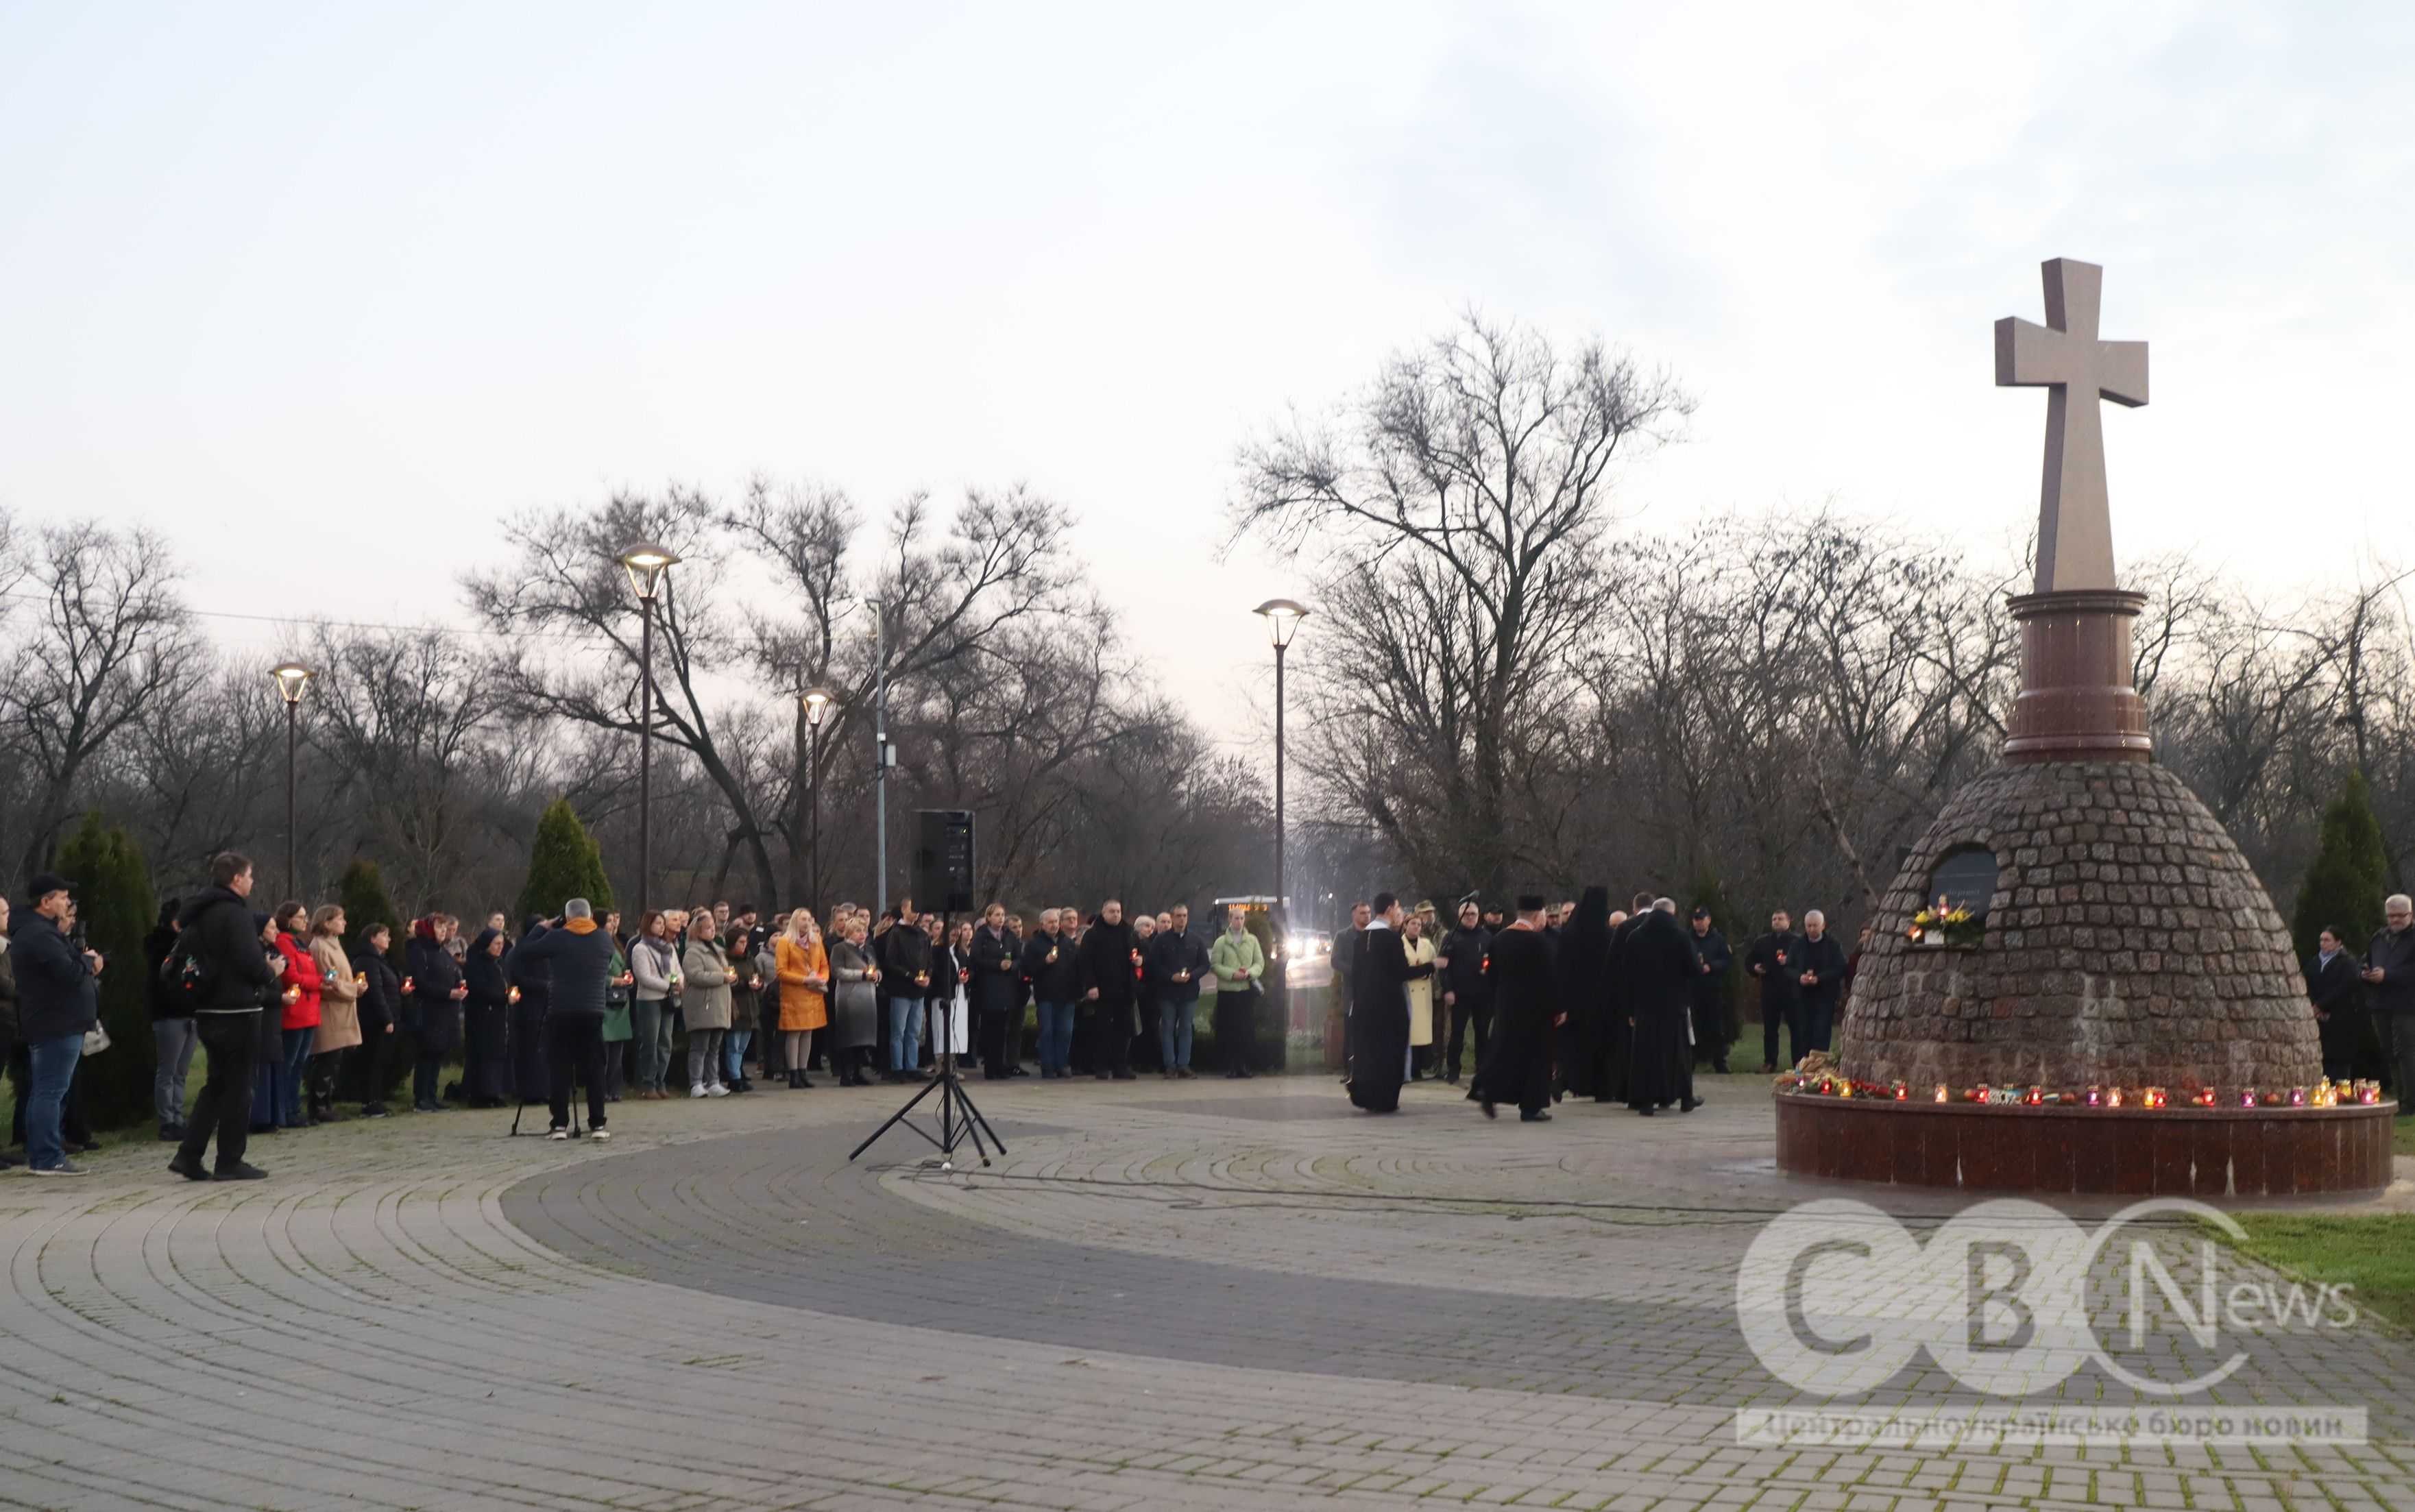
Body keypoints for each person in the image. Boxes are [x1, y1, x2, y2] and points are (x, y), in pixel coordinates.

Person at [163, 853, 278, 1180]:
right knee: (240, 1087)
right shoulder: (234, 913)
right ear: (237, 879)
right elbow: (248, 960)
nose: (253, 882)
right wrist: (270, 973)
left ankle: (189, 1154)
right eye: (250, 875)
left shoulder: (198, 912)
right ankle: (229, 1159)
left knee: (217, 1085)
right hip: (237, 1009)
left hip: (208, 1007)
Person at [12, 873, 101, 1175]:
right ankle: (47, 1157)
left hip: (59, 1022)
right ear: (46, 902)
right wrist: (89, 962)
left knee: (47, 1091)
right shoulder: (38, 934)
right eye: (62, 897)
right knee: (50, 1092)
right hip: (55, 1023)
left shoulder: (43, 932)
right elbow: (68, 973)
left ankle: (44, 1153)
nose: (68, 903)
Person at [505, 898, 615, 1140]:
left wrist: (542, 927)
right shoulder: (604, 940)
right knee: (595, 1067)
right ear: (588, 916)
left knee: (560, 1067)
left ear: (566, 917)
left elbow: (523, 952)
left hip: (561, 1010)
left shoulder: (557, 938)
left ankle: (560, 1124)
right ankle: (598, 1123)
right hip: (593, 1010)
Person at [1470, 895, 1560, 1121]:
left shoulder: (1499, 939)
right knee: (1535, 1058)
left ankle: (1488, 1090)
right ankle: (1531, 1107)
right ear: (1538, 916)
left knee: (1503, 1051)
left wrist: (1498, 998)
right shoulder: (1539, 942)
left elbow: (1488, 972)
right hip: (1535, 1010)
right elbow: (1551, 978)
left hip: (1506, 1006)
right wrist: (1559, 1007)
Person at [1621, 900, 1703, 1114]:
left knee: (1646, 1053)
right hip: (1674, 1004)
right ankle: (1685, 1098)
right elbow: (1694, 970)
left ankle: (1646, 1101)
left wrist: (1630, 1008)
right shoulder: (1681, 937)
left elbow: (1627, 976)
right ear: (1672, 912)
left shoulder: (1635, 937)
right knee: (1679, 1052)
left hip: (1645, 1005)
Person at [1347, 893, 1411, 1113]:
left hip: (1365, 1006)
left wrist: (1355, 1002)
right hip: (1390, 1007)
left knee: (1369, 1052)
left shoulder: (1361, 939)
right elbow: (1402, 972)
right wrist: (1432, 966)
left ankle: (1367, 1096)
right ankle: (1387, 1099)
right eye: (1397, 907)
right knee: (1390, 1051)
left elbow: (1355, 975)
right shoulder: (1392, 939)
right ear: (1391, 908)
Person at [1076, 899, 1143, 1081]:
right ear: (1103, 913)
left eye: (1118, 911)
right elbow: (1085, 962)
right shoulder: (1093, 935)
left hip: (1125, 988)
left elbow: (1139, 952)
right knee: (1102, 1030)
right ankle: (1102, 1066)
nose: (1116, 915)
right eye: (1112, 911)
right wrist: (1090, 985)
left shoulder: (1129, 932)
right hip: (1103, 989)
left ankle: (1121, 1066)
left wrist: (1139, 961)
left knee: (1124, 1030)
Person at [404, 916, 467, 1112]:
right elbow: (420, 982)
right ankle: (421, 1098)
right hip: (428, 1010)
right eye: (439, 927)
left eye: (444, 927)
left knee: (438, 1054)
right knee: (427, 1054)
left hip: (445, 1011)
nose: (443, 930)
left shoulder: (442, 951)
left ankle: (432, 1095)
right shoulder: (419, 951)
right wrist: (448, 992)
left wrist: (459, 987)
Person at [306, 905, 361, 1125]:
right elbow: (329, 981)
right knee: (326, 1060)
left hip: (342, 1008)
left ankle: (327, 1103)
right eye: (340, 919)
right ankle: (318, 1106)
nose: (344, 923)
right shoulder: (320, 947)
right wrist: (353, 990)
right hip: (330, 1010)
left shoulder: (335, 945)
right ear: (327, 923)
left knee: (334, 1061)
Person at [269, 903, 322, 1129]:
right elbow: (292, 976)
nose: (306, 920)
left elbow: (307, 973)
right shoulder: (284, 942)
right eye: (301, 917)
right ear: (289, 920)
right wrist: (318, 983)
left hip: (308, 1010)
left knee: (299, 1063)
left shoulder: (301, 943)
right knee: (289, 1064)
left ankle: (294, 1109)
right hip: (294, 1011)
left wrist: (314, 981)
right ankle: (286, 1111)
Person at [145, 900, 193, 1143]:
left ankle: (178, 1115)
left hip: (189, 1013)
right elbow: (164, 980)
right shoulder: (160, 946)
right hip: (169, 1014)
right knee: (168, 1070)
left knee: (182, 1071)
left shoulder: (189, 946)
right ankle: (167, 1120)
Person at [2361, 895, 2415, 1103]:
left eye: (2400, 915)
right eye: (2391, 916)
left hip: (2407, 1005)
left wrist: (2388, 976)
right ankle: (2399, 1096)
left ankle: (2411, 1100)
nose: (2395, 920)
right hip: (2381, 1003)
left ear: (2410, 914)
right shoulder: (2379, 938)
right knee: (2389, 1052)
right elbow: (2365, 960)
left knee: (2406, 1052)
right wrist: (2363, 973)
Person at [1147, 903, 1210, 1080]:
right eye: (1179, 916)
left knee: (1186, 1028)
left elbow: (1205, 964)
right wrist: (1170, 976)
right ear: (1172, 918)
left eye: (1185, 915)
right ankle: (1170, 1065)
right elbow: (1153, 964)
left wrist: (1192, 976)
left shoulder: (1196, 940)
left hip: (1189, 992)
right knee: (1167, 1027)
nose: (1182, 919)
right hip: (1167, 992)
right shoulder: (1161, 941)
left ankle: (1184, 1065)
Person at [876, 897, 933, 1083]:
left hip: (919, 989)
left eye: (918, 910)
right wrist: (911, 976)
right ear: (903, 909)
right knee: (898, 1031)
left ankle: (912, 1066)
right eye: (912, 909)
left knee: (914, 1031)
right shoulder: (896, 933)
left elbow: (929, 960)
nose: (916, 913)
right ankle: (897, 1068)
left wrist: (927, 977)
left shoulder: (922, 934)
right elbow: (891, 962)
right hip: (901, 989)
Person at [774, 909, 829, 1089]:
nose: (807, 923)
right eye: (803, 919)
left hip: (814, 992)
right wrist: (805, 979)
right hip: (794, 992)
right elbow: (781, 972)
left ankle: (803, 1072)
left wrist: (822, 978)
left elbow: (824, 965)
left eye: (809, 919)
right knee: (795, 1032)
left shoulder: (816, 940)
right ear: (795, 922)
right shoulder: (785, 942)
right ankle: (793, 1074)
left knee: (808, 1032)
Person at [681, 911, 734, 1098]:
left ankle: (713, 1081)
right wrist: (722, 977)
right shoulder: (693, 952)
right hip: (702, 1005)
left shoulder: (718, 951)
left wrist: (730, 977)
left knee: (714, 1048)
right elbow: (695, 976)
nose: (713, 931)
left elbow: (725, 971)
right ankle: (696, 1083)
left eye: (713, 928)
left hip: (719, 1005)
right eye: (708, 928)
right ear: (698, 931)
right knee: (700, 1047)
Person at [2309, 926, 2372, 1083]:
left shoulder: (2347, 962)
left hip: (2339, 1018)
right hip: (2318, 1017)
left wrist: (2322, 1005)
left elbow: (2344, 987)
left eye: (2327, 940)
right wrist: (2313, 1006)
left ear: (2338, 942)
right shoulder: (2314, 962)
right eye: (2321, 940)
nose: (2323, 944)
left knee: (2339, 1062)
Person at [1437, 900, 1490, 1086]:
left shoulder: (1487, 936)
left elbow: (1493, 961)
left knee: (1482, 1033)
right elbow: (1443, 967)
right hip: (1459, 993)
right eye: (1466, 914)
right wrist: (1448, 989)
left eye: (1473, 914)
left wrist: (1489, 970)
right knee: (1457, 1033)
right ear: (1460, 916)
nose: (1470, 918)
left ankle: (1482, 1068)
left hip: (1483, 993)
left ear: (1479, 915)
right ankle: (1453, 1069)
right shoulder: (1451, 937)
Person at [629, 912, 681, 1099]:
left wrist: (680, 982)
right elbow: (644, 977)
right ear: (647, 924)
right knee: (650, 1041)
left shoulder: (668, 947)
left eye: (662, 923)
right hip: (649, 999)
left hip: (668, 998)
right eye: (657, 923)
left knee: (665, 1041)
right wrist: (669, 986)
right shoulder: (640, 949)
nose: (661, 927)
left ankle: (661, 1081)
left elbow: (677, 970)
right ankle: (648, 1083)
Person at [459, 924, 511, 1108]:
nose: (500, 947)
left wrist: (510, 993)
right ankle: (480, 1094)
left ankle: (494, 1092)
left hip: (498, 1015)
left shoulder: (500, 963)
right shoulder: (476, 963)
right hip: (481, 1015)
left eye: (501, 944)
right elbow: (480, 989)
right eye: (496, 944)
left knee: (497, 1055)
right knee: (482, 1055)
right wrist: (503, 997)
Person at [1208, 906, 1264, 1078]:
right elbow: (1215, 965)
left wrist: (1249, 973)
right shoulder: (1221, 942)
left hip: (1246, 992)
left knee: (1246, 1030)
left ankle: (1244, 1065)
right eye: (1236, 918)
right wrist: (1233, 974)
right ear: (1230, 920)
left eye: (1242, 918)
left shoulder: (1252, 941)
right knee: (1229, 1030)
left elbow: (1259, 963)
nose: (1239, 921)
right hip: (1228, 992)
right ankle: (1232, 1066)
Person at [1745, 910, 1804, 1073]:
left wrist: (1790, 961)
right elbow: (1750, 961)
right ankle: (1770, 1061)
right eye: (1774, 919)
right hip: (1770, 990)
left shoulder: (1797, 942)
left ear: (1789, 921)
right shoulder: (1762, 942)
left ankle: (1798, 1062)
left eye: (1780, 919)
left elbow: (1805, 963)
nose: (1777, 922)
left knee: (1796, 1028)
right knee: (1770, 1029)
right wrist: (1754, 968)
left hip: (1792, 991)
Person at [1024, 908, 1080, 1078]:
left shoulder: (1068, 943)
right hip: (1046, 995)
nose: (1054, 925)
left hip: (1067, 995)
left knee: (1065, 1031)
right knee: (1047, 1031)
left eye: (1056, 922)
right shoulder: (1034, 944)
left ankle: (1062, 1064)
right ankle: (1047, 1065)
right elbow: (1028, 969)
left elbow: (1077, 968)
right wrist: (1044, 962)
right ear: (1042, 924)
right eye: (1050, 922)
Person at [506, 915, 554, 1110]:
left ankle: (545, 1090)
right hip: (528, 1006)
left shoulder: (544, 951)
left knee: (543, 1051)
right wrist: (545, 986)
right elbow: (519, 978)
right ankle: (530, 1091)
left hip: (545, 1005)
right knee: (530, 1051)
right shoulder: (521, 951)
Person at [353, 922, 400, 1118]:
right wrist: (386, 1018)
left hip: (383, 1017)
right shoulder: (368, 961)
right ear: (373, 938)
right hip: (374, 1020)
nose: (388, 939)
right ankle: (370, 1102)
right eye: (384, 935)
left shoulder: (380, 961)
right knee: (372, 1061)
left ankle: (376, 1099)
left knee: (380, 1062)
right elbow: (376, 992)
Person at [827, 913, 879, 1086]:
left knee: (863, 1038)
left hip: (868, 998)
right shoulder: (840, 948)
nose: (862, 934)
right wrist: (862, 975)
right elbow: (837, 972)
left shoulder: (868, 949)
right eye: (858, 931)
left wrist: (878, 975)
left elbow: (876, 968)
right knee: (849, 1037)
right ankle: (846, 1073)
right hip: (850, 997)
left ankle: (858, 1072)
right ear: (849, 933)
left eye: (864, 931)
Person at [971, 903, 1021, 1080]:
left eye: (1003, 915)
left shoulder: (1009, 936)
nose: (1001, 919)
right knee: (990, 1029)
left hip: (1006, 987)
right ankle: (990, 1067)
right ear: (989, 917)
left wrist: (1012, 966)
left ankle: (1001, 1066)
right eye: (997, 915)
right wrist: (996, 965)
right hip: (988, 988)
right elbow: (976, 959)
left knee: (1003, 1030)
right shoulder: (981, 936)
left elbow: (1019, 957)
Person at [1687, 907, 1734, 1074]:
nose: (1699, 922)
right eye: (1696, 919)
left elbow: (1727, 961)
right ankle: (1690, 1061)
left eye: (1702, 919)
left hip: (1712, 988)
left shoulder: (1718, 939)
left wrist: (1711, 966)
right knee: (1693, 1027)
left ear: (1709, 920)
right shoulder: (1687, 939)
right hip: (1692, 989)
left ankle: (1719, 1062)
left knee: (1716, 1027)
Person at [1794, 911, 1847, 1054]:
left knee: (1821, 1032)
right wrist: (1800, 977)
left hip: (1825, 996)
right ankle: (1803, 1064)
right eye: (1808, 926)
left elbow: (1840, 968)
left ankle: (1820, 1065)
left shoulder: (1833, 945)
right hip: (1802, 996)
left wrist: (1820, 978)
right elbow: (1788, 968)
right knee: (1804, 1032)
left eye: (1815, 926)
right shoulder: (1798, 945)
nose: (1811, 929)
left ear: (1823, 926)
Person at [723, 925, 762, 1093]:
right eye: (741, 942)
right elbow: (730, 982)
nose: (744, 945)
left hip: (750, 1005)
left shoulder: (749, 959)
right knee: (734, 1044)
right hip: (735, 1006)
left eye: (746, 942)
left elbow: (757, 975)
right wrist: (744, 984)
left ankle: (738, 1073)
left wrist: (757, 984)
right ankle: (734, 1077)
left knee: (742, 1046)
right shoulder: (726, 961)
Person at [601, 912, 633, 1100]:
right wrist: (615, 981)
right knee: (604, 1052)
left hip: (620, 1003)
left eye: (615, 922)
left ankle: (615, 1089)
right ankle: (601, 1089)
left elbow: (622, 968)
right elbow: (596, 975)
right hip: (606, 1002)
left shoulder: (617, 945)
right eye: (609, 922)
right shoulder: (597, 946)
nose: (613, 925)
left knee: (616, 1053)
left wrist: (627, 978)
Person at [1403, 911, 1438, 1080]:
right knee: (1410, 1030)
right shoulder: (1399, 944)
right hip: (1408, 990)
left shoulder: (1427, 944)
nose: (1416, 927)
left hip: (1424, 990)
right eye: (1413, 924)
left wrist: (1429, 974)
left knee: (1422, 1030)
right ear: (1406, 925)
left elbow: (1435, 963)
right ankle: (1410, 1067)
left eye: (1419, 925)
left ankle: (1421, 1066)